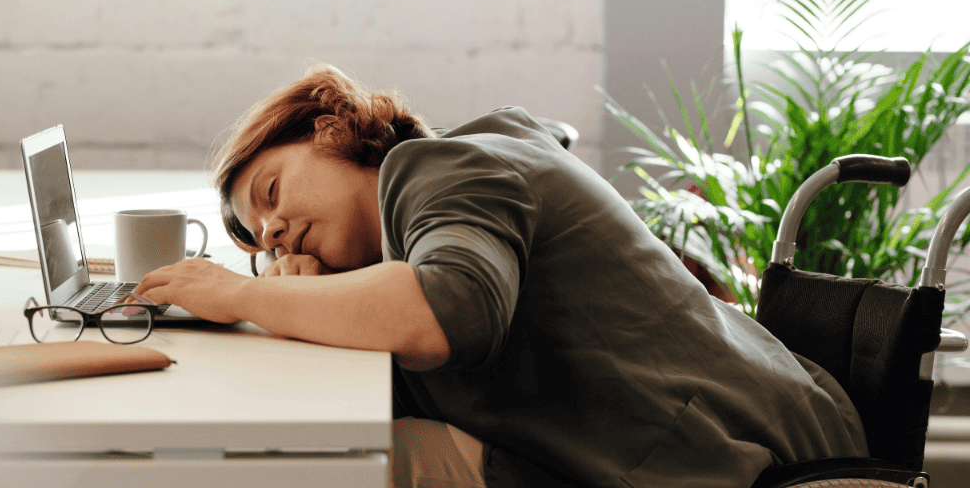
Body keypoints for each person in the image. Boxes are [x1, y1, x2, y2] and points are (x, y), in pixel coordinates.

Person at [132, 64, 869, 488]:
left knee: (315, 463)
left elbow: (450, 312)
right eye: (259, 239)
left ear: (328, 130)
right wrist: (295, 294)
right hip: (710, 437)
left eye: (271, 193)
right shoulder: (437, 197)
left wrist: (249, 293)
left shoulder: (437, 168)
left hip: (722, 463)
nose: (273, 231)